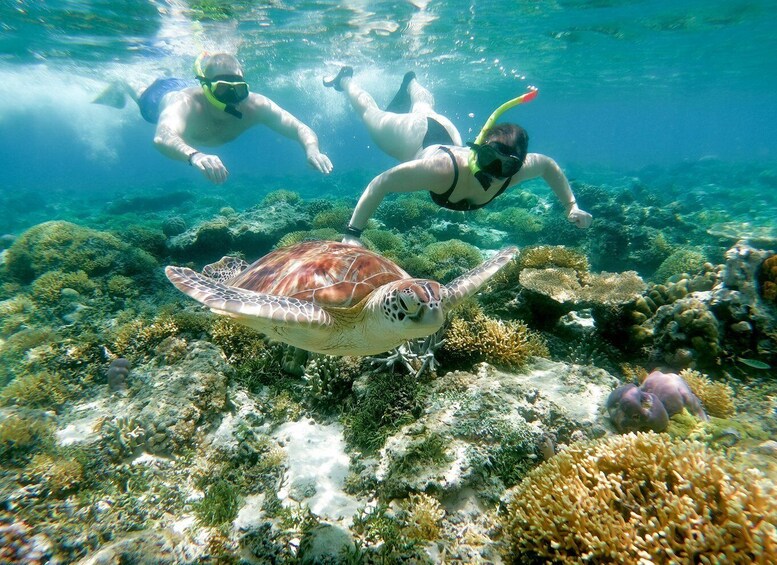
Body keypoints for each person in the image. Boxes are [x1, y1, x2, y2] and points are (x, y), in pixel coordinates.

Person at [321, 67, 592, 246]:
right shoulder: (440, 171)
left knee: (426, 106)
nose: (493, 171)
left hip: (448, 135)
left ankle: (411, 83)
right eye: (488, 159)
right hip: (413, 139)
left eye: (506, 166)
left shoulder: (519, 171)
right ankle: (345, 79)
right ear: (478, 150)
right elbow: (380, 183)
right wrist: (352, 234)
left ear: (518, 166)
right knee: (372, 115)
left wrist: (571, 205)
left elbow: (547, 166)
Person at [93, 53, 333, 184]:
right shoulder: (183, 103)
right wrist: (195, 156)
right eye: (223, 90)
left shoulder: (255, 105)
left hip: (194, 84)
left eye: (238, 90)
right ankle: (122, 81)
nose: (233, 99)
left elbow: (300, 127)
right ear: (207, 88)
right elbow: (162, 137)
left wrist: (312, 150)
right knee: (141, 92)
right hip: (159, 97)